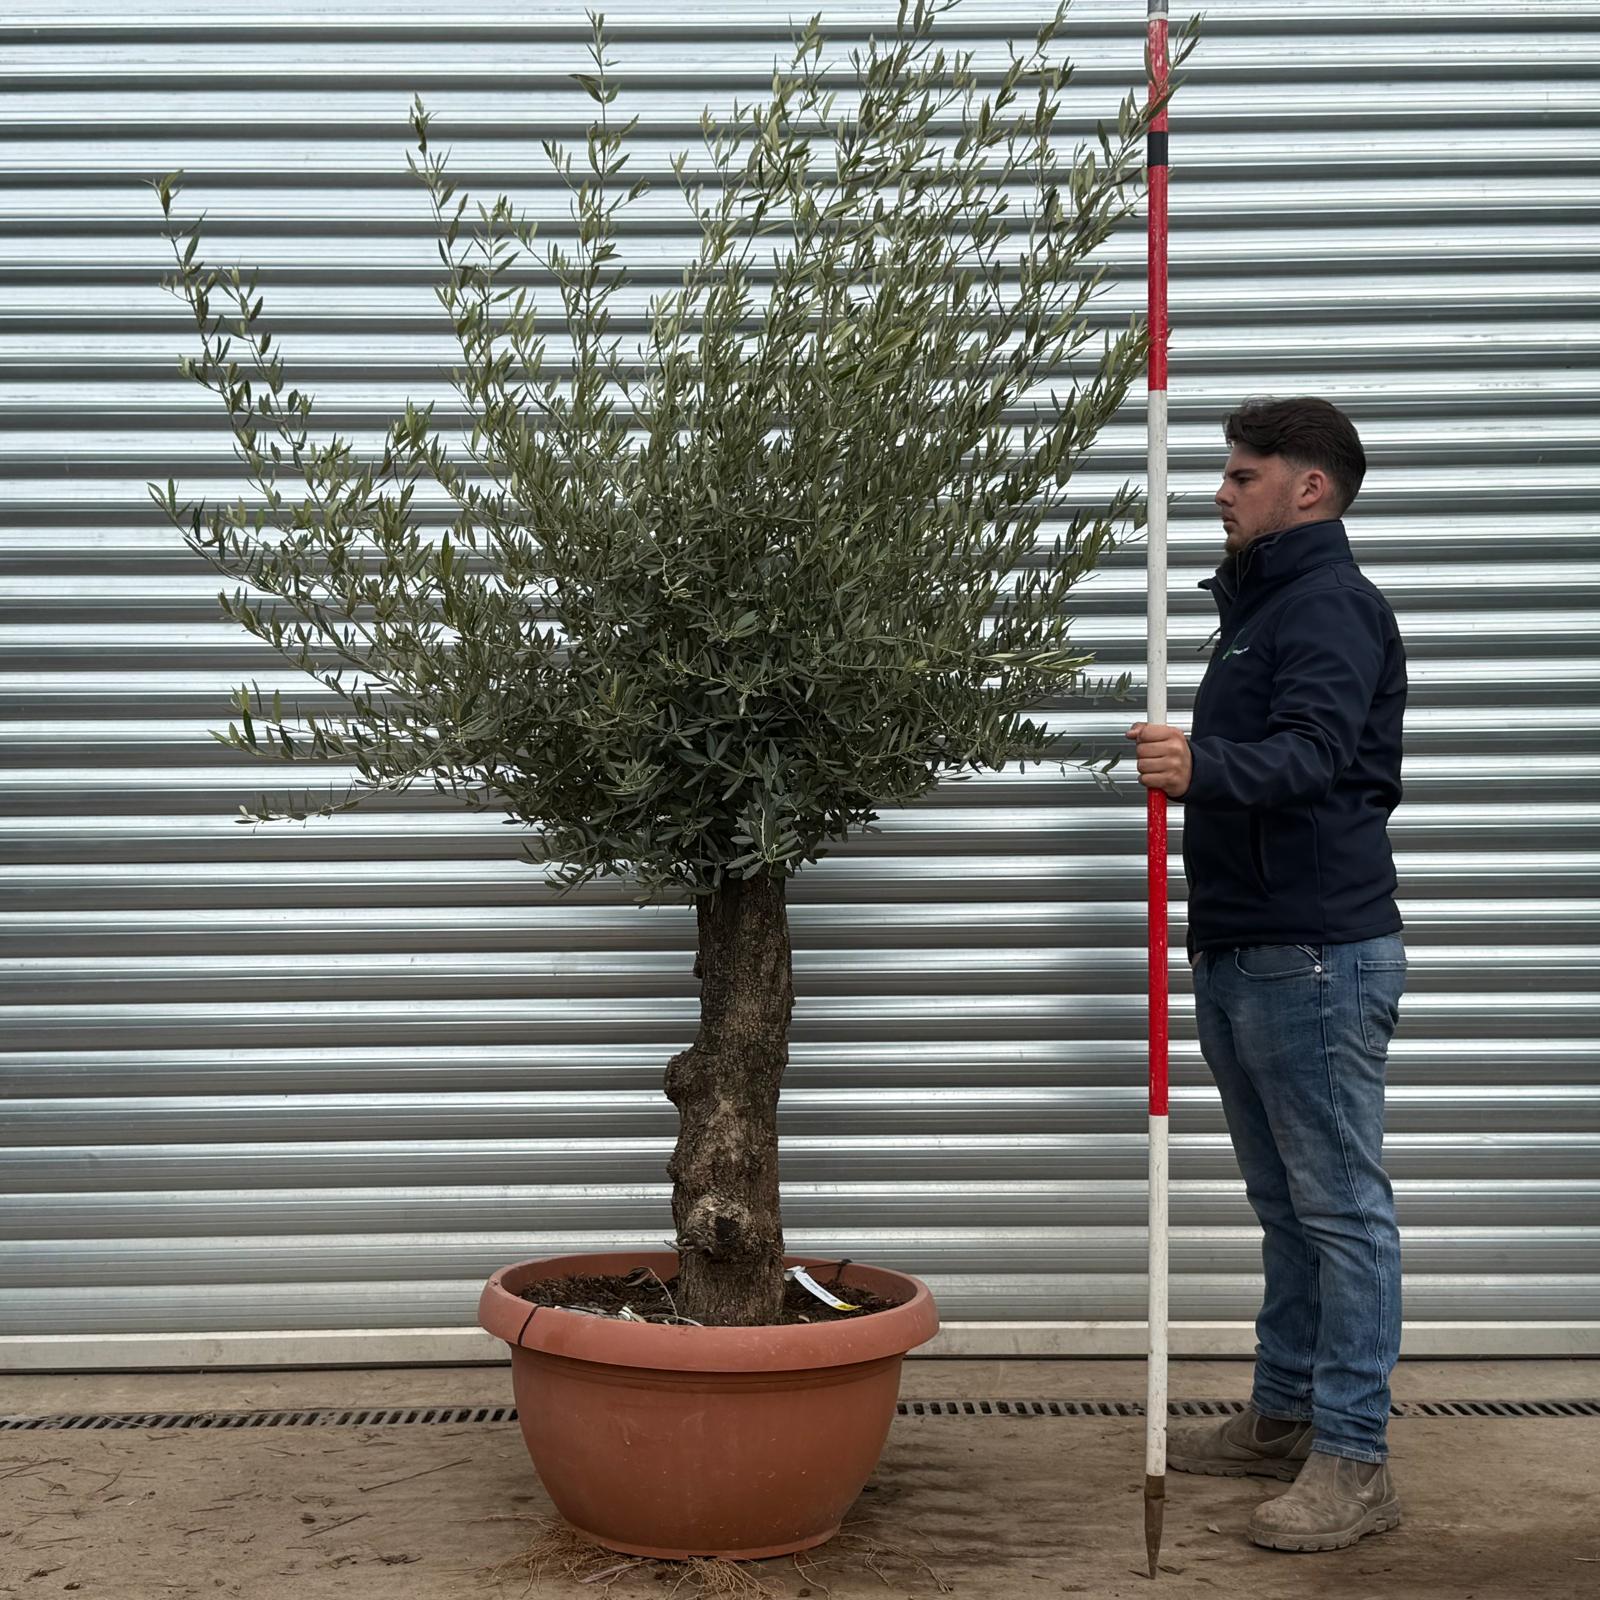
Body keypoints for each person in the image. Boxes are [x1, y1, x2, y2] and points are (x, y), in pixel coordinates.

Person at [1126, 396, 1409, 1553]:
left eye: (1242, 475)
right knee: (1286, 1206)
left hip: (1314, 952)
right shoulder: (1260, 609)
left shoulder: (1330, 608)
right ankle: (1282, 1417)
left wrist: (1201, 761)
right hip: (1246, 944)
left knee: (1340, 1210)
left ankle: (1354, 1457)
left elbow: (1315, 753)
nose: (1218, 490)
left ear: (1309, 488)